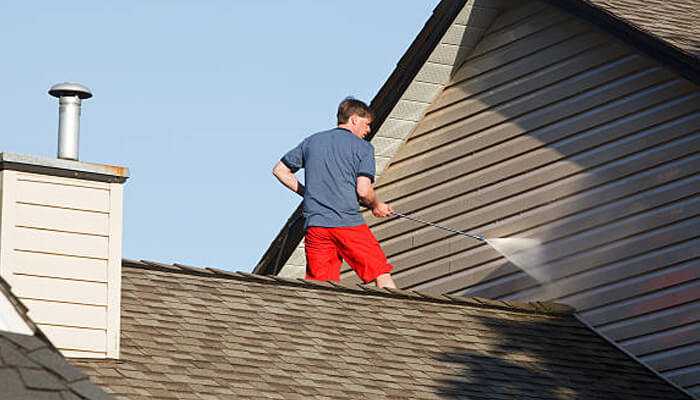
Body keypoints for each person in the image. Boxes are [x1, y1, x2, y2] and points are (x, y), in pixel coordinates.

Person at [272, 97, 397, 288]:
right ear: (354, 119)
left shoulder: (312, 142)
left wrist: (308, 193)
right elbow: (363, 190)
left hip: (316, 227)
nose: (368, 130)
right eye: (367, 124)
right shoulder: (363, 148)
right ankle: (394, 315)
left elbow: (280, 170)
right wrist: (377, 205)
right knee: (380, 272)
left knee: (321, 289)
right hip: (348, 223)